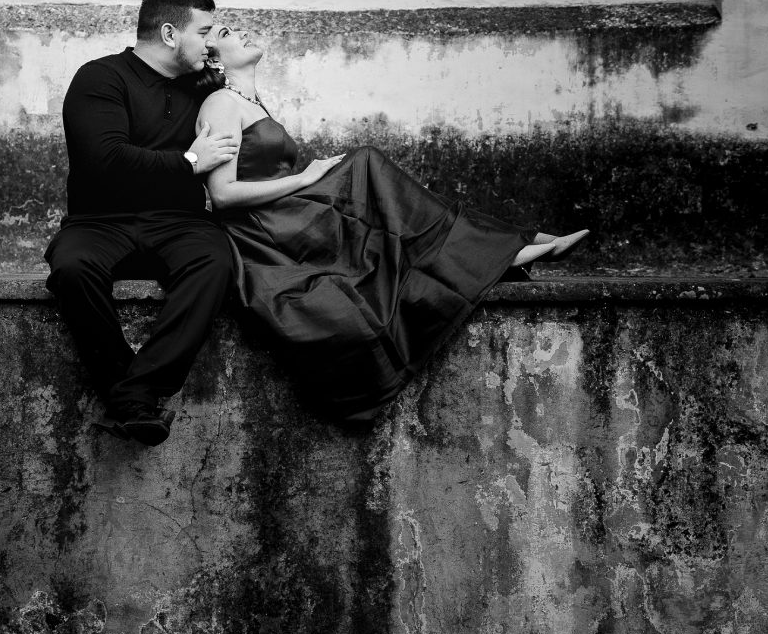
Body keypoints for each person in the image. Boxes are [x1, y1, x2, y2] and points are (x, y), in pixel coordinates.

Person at [198, 23, 589, 422]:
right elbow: (224, 194)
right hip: (262, 230)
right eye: (228, 31)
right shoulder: (221, 104)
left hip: (284, 215)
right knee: (367, 166)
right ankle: (509, 246)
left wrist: (303, 183)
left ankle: (507, 245)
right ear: (213, 56)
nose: (243, 31)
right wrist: (302, 179)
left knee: (381, 202)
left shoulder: (253, 101)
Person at [45, 0, 239, 446]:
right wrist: (190, 161)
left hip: (180, 223)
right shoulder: (100, 78)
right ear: (170, 34)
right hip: (100, 222)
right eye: (204, 31)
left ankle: (136, 393)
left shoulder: (204, 89)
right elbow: (105, 160)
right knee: (71, 268)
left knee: (215, 261)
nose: (212, 42)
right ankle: (130, 396)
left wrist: (228, 83)